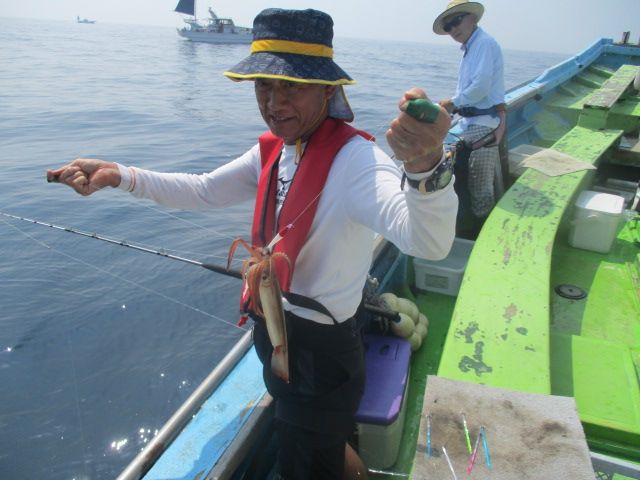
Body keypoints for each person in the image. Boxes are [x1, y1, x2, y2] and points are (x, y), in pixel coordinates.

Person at [48, 8, 457, 480]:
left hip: (322, 356)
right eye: (264, 85)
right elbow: (204, 189)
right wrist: (119, 175)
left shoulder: (359, 162)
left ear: (328, 90)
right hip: (274, 333)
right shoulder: (276, 149)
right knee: (318, 442)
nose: (274, 102)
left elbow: (427, 242)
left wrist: (425, 167)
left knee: (309, 459)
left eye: (291, 86)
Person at [433, 0, 505, 237]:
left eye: (457, 21)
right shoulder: (470, 48)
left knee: (480, 187)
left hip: (483, 125)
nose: (453, 29)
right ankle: (467, 227)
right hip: (469, 123)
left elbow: (481, 88)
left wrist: (452, 103)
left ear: (472, 18)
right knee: (459, 176)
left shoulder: (483, 44)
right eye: (448, 26)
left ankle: (483, 235)